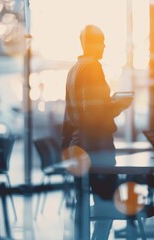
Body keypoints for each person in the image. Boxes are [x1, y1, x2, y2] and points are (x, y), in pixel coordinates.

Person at [61, 25, 132, 240]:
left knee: (82, 204)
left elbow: (82, 108)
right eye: (101, 41)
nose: (104, 46)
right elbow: (93, 113)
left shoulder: (74, 69)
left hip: (77, 145)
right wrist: (119, 105)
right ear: (91, 43)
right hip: (96, 145)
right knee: (107, 204)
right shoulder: (92, 68)